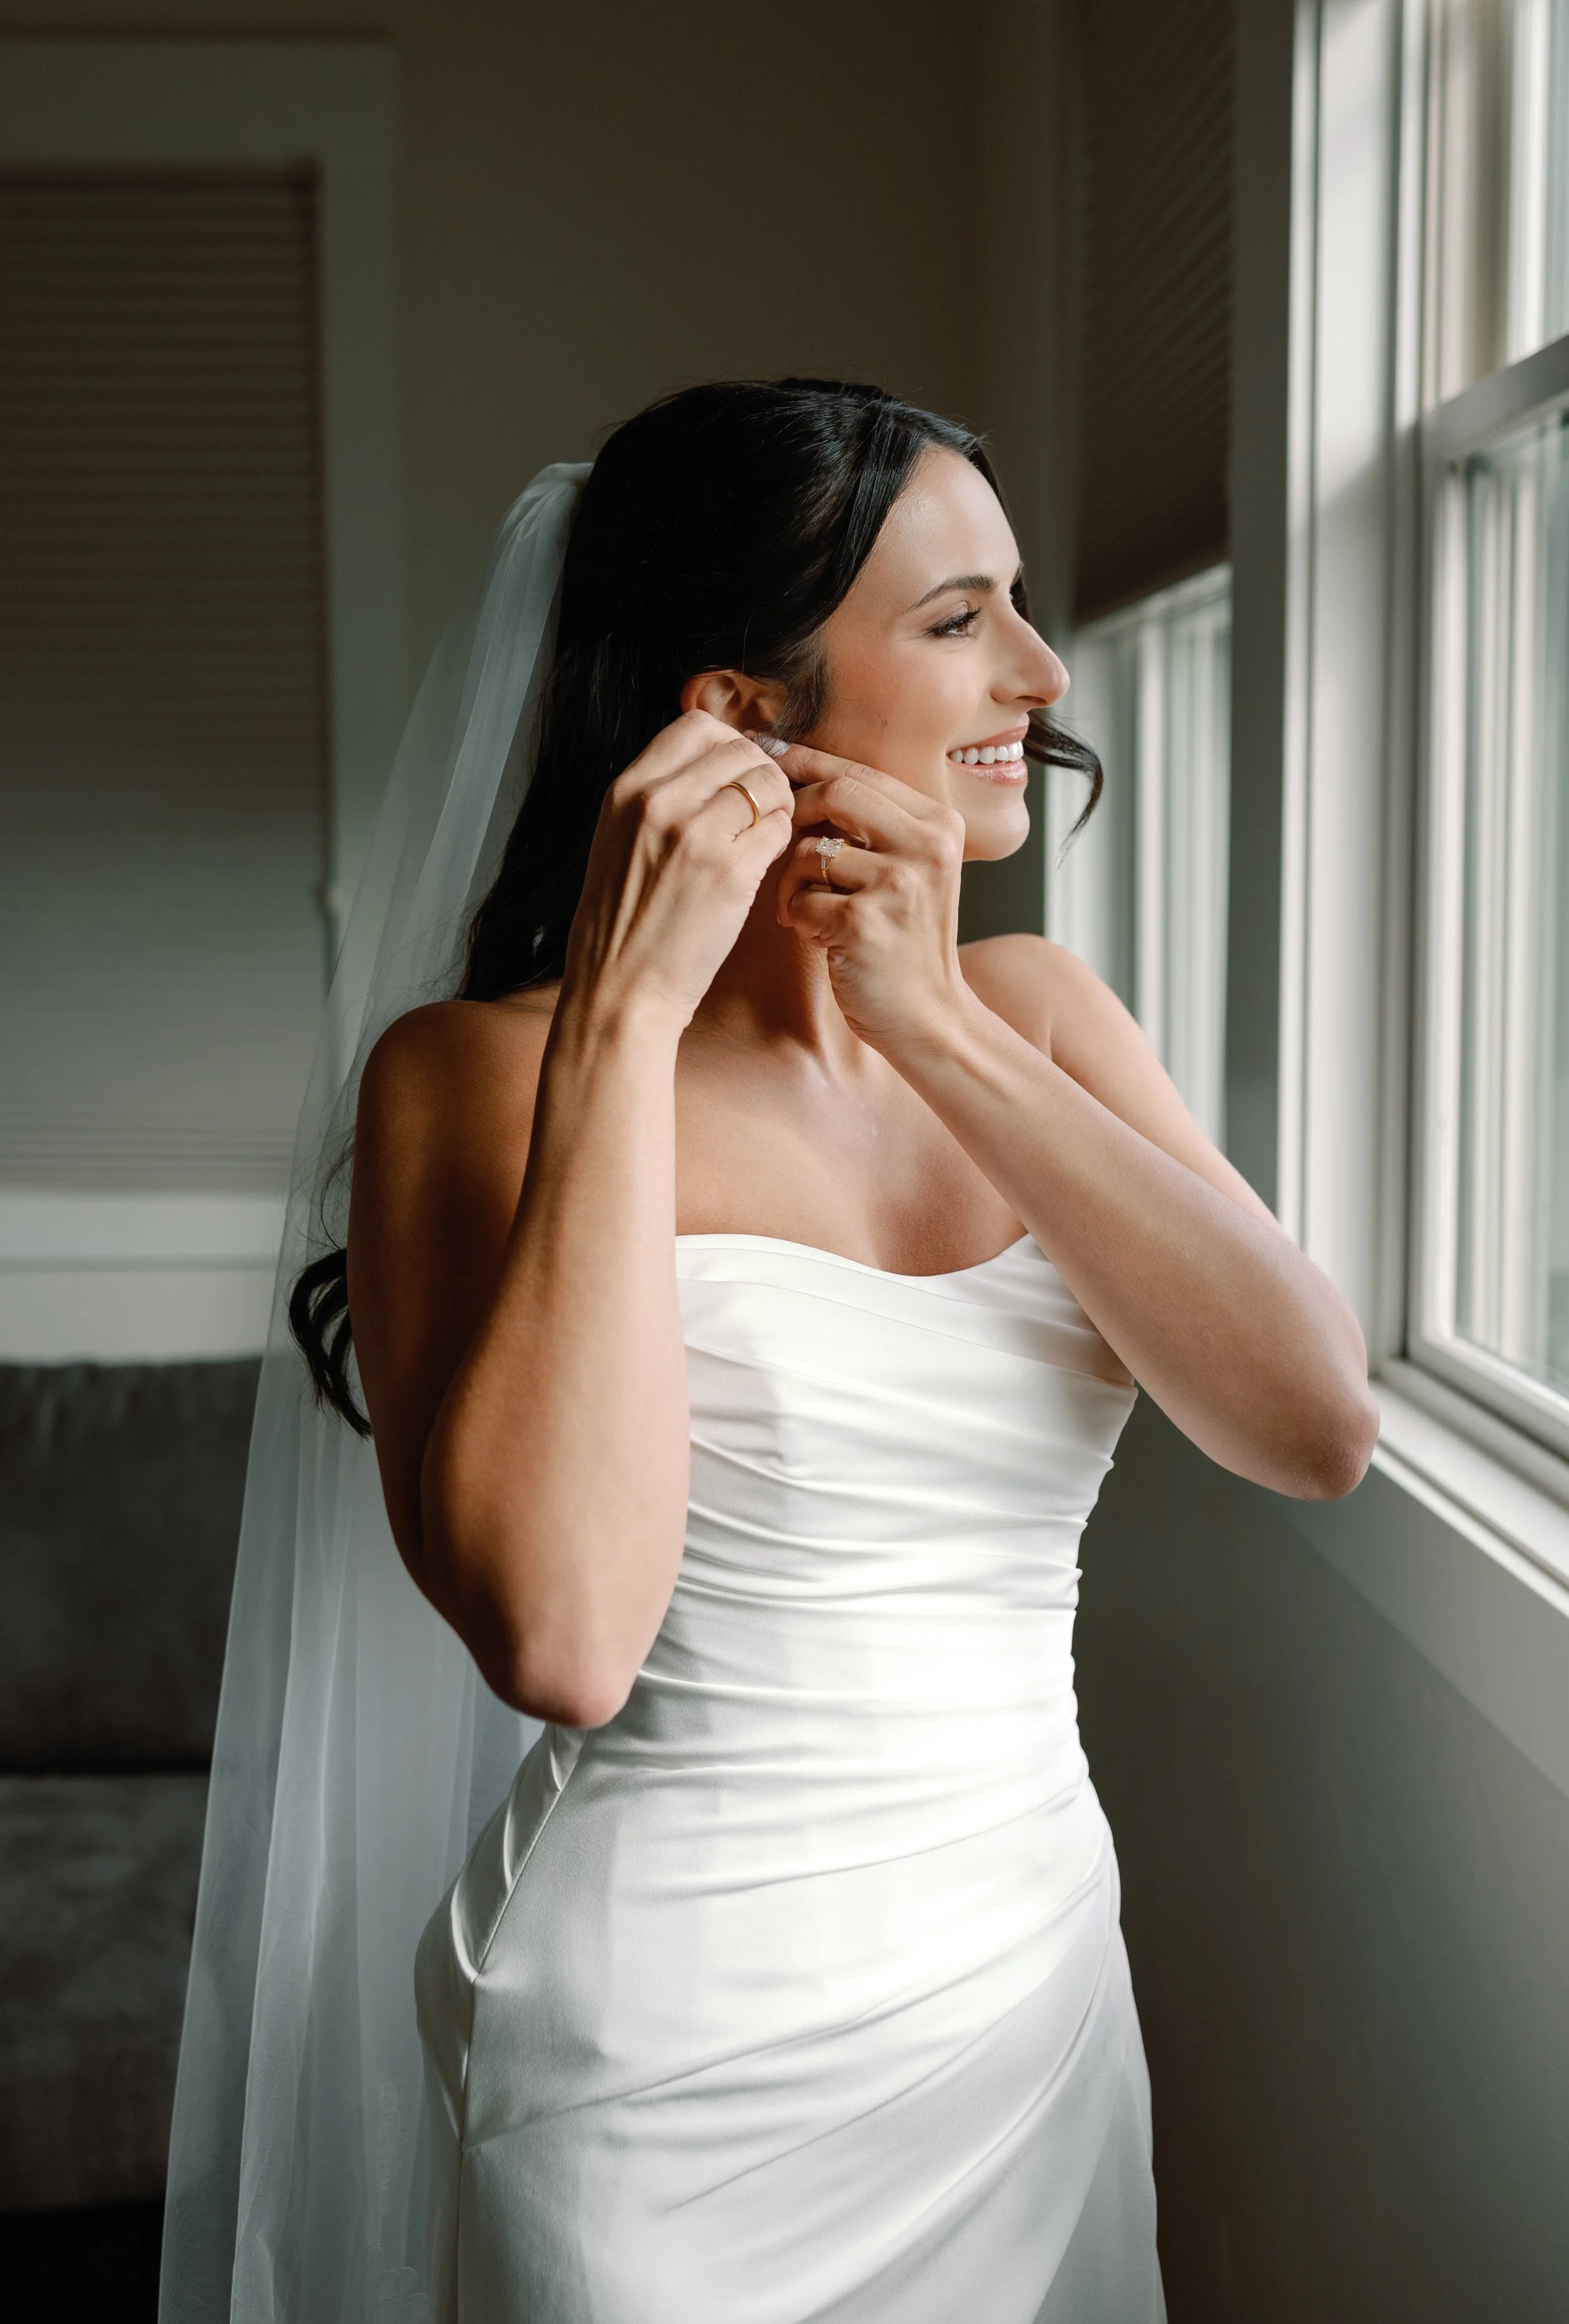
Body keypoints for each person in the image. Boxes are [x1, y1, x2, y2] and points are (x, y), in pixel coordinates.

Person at [168, 380, 1378, 2324]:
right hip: (666, 2075)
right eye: (955, 615)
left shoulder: (1039, 1012)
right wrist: (618, 1035)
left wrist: (939, 1023)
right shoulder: (470, 1082)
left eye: (1013, 603)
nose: (1041, 667)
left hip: (1031, 1992)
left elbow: (1313, 1422)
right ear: (735, 711)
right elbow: (559, 1636)